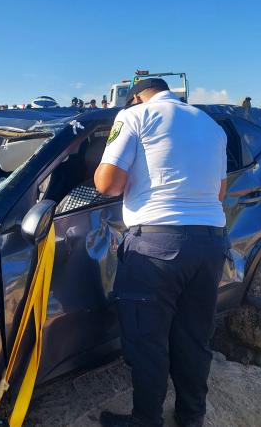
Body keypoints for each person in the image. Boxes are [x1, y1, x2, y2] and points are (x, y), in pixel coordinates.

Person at [94, 78, 228, 427]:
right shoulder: (211, 126)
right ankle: (191, 416)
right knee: (194, 338)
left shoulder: (135, 116)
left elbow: (107, 184)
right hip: (211, 244)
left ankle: (146, 420)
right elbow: (219, 193)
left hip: (156, 246)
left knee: (147, 341)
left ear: (136, 97)